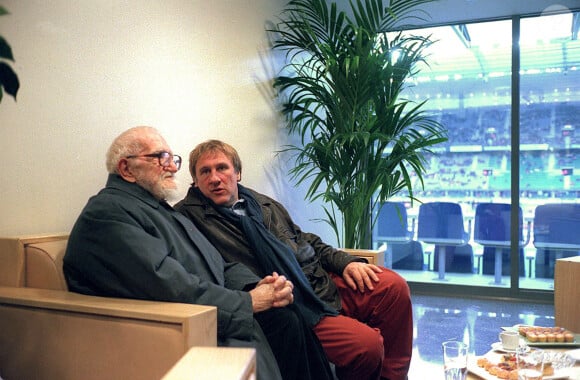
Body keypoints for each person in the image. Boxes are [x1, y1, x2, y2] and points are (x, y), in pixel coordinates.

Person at [63, 127, 333, 380]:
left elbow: (218, 263)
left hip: (212, 307)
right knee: (285, 321)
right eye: (161, 157)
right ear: (126, 168)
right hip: (180, 325)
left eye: (172, 158)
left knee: (288, 316)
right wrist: (247, 302)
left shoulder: (156, 208)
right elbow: (167, 285)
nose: (171, 166)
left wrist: (259, 286)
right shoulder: (108, 213)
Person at [175, 139, 414, 380]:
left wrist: (345, 262)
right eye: (205, 171)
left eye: (222, 168)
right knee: (366, 346)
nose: (215, 178)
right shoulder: (189, 219)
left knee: (393, 288)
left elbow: (305, 239)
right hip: (295, 300)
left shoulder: (261, 203)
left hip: (318, 281)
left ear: (237, 173)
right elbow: (214, 270)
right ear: (195, 181)